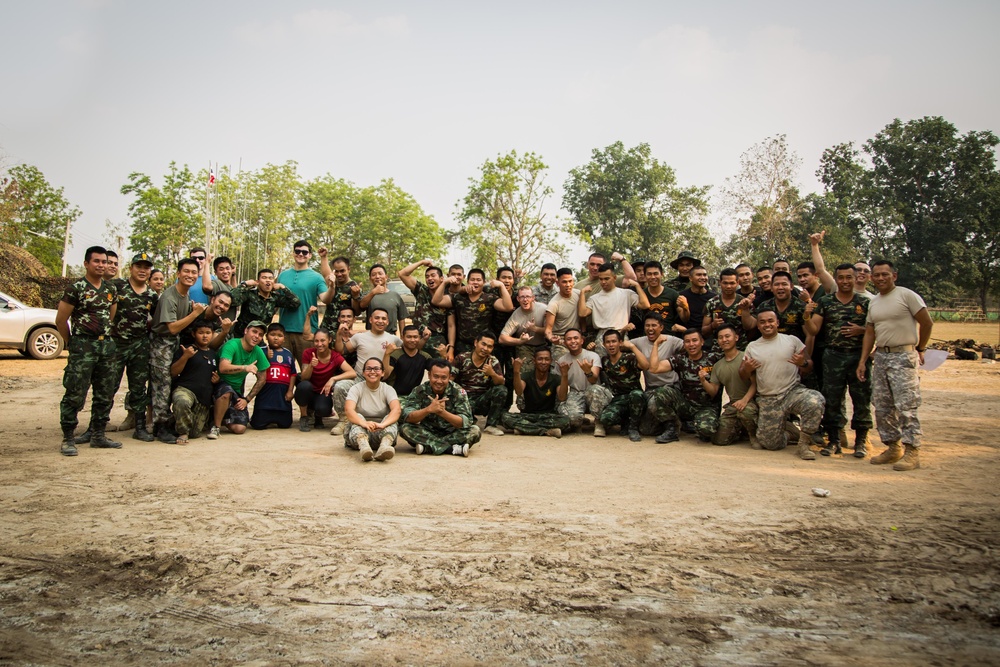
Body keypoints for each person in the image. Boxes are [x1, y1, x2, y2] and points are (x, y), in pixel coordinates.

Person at [856, 260, 933, 471]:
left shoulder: (907, 296)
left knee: (906, 405)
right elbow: (870, 332)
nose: (880, 278)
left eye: (885, 274)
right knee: (882, 405)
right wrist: (863, 360)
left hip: (903, 355)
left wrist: (921, 347)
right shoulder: (874, 302)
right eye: (877, 275)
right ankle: (893, 447)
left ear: (894, 276)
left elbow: (927, 322)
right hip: (881, 357)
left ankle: (912, 450)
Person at [56, 246, 121, 455]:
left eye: (105, 262)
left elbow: (110, 316)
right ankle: (68, 437)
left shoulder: (110, 289)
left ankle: (98, 435)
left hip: (106, 346)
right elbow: (61, 319)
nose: (102, 265)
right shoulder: (75, 288)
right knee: (75, 392)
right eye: (97, 261)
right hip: (82, 346)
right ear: (86, 264)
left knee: (105, 392)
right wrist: (71, 342)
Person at [804, 264, 873, 457]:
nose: (844, 281)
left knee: (861, 399)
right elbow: (813, 330)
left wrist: (862, 331)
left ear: (855, 278)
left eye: (848, 277)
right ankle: (833, 441)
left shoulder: (865, 303)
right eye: (841, 278)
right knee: (832, 400)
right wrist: (806, 315)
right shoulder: (826, 302)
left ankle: (860, 442)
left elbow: (874, 329)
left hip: (858, 356)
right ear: (836, 279)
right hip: (833, 356)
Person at [741, 309, 825, 460]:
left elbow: (809, 365)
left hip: (791, 391)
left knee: (815, 400)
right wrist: (747, 369)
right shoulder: (752, 347)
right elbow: (742, 374)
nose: (767, 324)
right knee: (770, 444)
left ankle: (804, 444)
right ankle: (790, 432)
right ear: (758, 326)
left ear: (777, 323)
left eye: (770, 321)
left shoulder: (792, 341)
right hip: (768, 397)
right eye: (763, 322)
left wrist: (803, 363)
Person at [150, 257, 207, 444]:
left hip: (173, 342)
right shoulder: (169, 296)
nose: (190, 275)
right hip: (162, 343)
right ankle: (159, 426)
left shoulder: (185, 295)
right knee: (162, 384)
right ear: (178, 274)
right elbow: (173, 328)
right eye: (186, 272)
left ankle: (167, 421)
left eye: (193, 272)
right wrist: (195, 313)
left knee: (172, 381)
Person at [108, 252, 157, 443]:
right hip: (116, 344)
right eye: (139, 266)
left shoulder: (152, 294)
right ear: (131, 268)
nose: (143, 270)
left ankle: (139, 427)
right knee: (108, 385)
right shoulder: (117, 286)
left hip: (139, 345)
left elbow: (155, 320)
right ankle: (98, 425)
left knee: (138, 389)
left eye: (146, 267)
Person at [331, 308, 403, 435]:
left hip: (380, 379)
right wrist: (339, 335)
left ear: (388, 322)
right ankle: (344, 420)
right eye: (377, 318)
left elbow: (410, 346)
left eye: (383, 319)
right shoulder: (360, 337)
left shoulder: (393, 339)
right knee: (340, 386)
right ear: (370, 320)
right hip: (359, 377)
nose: (380, 321)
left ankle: (382, 421)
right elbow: (342, 350)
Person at [648, 329, 722, 443]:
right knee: (661, 392)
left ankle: (695, 425)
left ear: (702, 342)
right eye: (687, 341)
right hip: (686, 405)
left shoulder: (713, 358)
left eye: (694, 340)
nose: (691, 344)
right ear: (684, 344)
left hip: (707, 407)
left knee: (707, 431)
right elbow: (654, 368)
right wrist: (656, 345)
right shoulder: (680, 359)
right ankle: (672, 427)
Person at [400, 358, 482, 457]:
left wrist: (443, 412)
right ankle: (451, 449)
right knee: (405, 428)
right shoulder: (419, 390)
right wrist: (428, 410)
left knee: (475, 431)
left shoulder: (458, 391)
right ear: (429, 375)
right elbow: (408, 417)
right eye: (436, 376)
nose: (439, 381)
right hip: (427, 431)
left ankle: (428, 447)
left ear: (449, 377)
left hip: (451, 432)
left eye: (444, 377)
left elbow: (465, 421)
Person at [431, 268, 513, 356]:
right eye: (472, 280)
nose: (475, 282)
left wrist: (501, 286)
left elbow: (508, 307)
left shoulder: (489, 298)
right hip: (462, 346)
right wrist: (444, 283)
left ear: (484, 282)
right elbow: (436, 301)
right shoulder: (459, 298)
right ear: (467, 281)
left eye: (479, 280)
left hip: (483, 346)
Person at [578, 262, 649, 357]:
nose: (603, 282)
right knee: (603, 365)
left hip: (621, 332)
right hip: (602, 336)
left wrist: (637, 285)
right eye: (601, 279)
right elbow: (582, 313)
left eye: (607, 278)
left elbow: (645, 305)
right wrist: (582, 293)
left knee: (623, 365)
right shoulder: (595, 298)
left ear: (614, 278)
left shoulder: (626, 294)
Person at [705, 325, 759, 448]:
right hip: (734, 405)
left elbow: (755, 384)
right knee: (719, 440)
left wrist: (744, 400)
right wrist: (703, 380)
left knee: (746, 411)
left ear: (736, 337)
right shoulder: (718, 365)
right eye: (720, 337)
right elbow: (713, 391)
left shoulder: (746, 357)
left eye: (727, 336)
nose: (724, 340)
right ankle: (740, 430)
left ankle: (753, 435)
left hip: (750, 402)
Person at [214, 321, 270, 437]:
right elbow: (223, 367)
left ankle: (219, 416)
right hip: (217, 384)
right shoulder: (232, 345)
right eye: (254, 331)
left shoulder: (258, 351)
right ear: (245, 331)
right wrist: (245, 368)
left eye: (260, 334)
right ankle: (216, 427)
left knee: (240, 428)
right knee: (226, 392)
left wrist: (247, 399)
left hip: (236, 391)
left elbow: (262, 379)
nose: (256, 336)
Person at [169, 320, 220, 445]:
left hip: (203, 398)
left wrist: (217, 379)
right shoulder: (186, 349)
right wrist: (185, 357)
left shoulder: (214, 354)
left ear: (212, 334)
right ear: (193, 334)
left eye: (208, 333)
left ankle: (172, 421)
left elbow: (217, 374)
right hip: (186, 389)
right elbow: (173, 372)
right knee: (182, 400)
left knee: (195, 433)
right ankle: (182, 432)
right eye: (201, 333)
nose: (204, 336)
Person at [632, 314, 685, 436]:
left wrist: (684, 331)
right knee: (646, 430)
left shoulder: (671, 340)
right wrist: (624, 332)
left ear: (661, 327)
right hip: (651, 388)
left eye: (654, 325)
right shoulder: (639, 341)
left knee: (653, 404)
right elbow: (618, 343)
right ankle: (665, 423)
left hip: (670, 387)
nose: (650, 328)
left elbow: (693, 344)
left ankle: (673, 425)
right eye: (647, 325)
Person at [501, 348, 570, 438]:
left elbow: (562, 397)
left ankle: (525, 429)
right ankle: (546, 431)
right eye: (540, 359)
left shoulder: (556, 378)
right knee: (504, 417)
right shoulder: (526, 376)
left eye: (547, 359)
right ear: (534, 361)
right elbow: (519, 392)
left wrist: (565, 375)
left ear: (551, 361)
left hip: (548, 417)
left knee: (566, 421)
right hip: (528, 416)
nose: (543, 362)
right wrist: (516, 372)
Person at [295, 327, 355, 431]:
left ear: (329, 340)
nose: (319, 344)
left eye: (322, 340)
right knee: (304, 386)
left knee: (324, 410)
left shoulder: (335, 356)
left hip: (323, 392)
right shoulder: (308, 353)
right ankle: (304, 416)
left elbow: (352, 373)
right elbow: (304, 377)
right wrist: (311, 366)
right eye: (316, 341)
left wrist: (333, 379)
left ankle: (318, 416)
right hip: (309, 390)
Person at [278, 241, 327, 365]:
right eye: (297, 251)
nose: (301, 254)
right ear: (293, 253)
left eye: (304, 252)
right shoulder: (282, 276)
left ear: (310, 255)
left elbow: (325, 298)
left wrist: (331, 287)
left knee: (309, 372)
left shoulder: (317, 277)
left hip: (306, 332)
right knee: (283, 373)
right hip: (284, 331)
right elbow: (275, 301)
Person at [594, 329, 649, 441]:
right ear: (604, 345)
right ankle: (625, 421)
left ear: (620, 342)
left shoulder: (629, 357)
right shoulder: (605, 361)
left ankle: (633, 427)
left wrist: (633, 347)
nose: (611, 345)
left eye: (614, 341)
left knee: (636, 395)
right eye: (608, 342)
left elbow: (645, 366)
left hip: (634, 397)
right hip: (618, 399)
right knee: (606, 419)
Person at [451, 331, 508, 436]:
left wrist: (492, 373)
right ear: (475, 343)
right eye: (483, 344)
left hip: (482, 399)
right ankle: (469, 419)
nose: (485, 349)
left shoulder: (493, 361)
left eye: (489, 347)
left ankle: (491, 425)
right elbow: (450, 380)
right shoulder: (461, 358)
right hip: (463, 399)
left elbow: (501, 382)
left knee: (502, 390)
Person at [344, 357, 401, 462]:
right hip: (358, 435)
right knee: (358, 416)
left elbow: (396, 410)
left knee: (390, 419)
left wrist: (383, 425)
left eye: (376, 369)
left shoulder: (388, 389)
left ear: (383, 373)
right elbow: (349, 410)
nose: (372, 372)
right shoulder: (356, 388)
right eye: (368, 369)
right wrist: (364, 423)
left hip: (381, 433)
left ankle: (384, 447)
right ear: (363, 372)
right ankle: (364, 448)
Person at [397, 259, 453, 358]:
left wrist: (451, 348)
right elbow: (402, 274)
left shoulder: (448, 297)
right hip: (417, 340)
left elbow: (451, 326)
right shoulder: (421, 290)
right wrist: (421, 262)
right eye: (427, 277)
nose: (429, 278)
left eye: (433, 275)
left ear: (441, 278)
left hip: (438, 342)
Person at [555, 328, 607, 433]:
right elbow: (562, 396)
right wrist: (564, 375)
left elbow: (593, 380)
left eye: (576, 338)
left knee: (595, 390)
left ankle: (599, 423)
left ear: (582, 341)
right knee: (572, 419)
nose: (573, 341)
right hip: (576, 392)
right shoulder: (562, 361)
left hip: (592, 391)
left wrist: (588, 371)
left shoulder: (592, 356)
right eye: (569, 339)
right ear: (565, 343)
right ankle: (580, 419)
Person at [229, 268, 301, 339]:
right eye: (264, 278)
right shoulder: (249, 294)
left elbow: (296, 303)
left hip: (257, 338)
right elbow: (233, 300)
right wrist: (244, 284)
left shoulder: (275, 298)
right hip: (240, 337)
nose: (268, 280)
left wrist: (283, 287)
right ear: (257, 282)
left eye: (270, 278)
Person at [250, 323, 298, 430]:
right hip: (265, 397)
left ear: (284, 338)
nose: (276, 338)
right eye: (272, 335)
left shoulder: (288, 353)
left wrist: (290, 391)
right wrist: (265, 358)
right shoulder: (260, 350)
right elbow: (255, 369)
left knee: (285, 424)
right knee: (257, 425)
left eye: (279, 335)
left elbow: (293, 373)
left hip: (282, 399)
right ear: (266, 337)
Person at [499, 286, 548, 373]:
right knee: (526, 373)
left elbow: (550, 331)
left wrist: (535, 329)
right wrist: (520, 341)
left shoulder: (544, 309)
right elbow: (502, 338)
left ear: (533, 298)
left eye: (528, 297)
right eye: (522, 297)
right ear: (518, 299)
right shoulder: (516, 315)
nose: (525, 300)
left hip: (543, 346)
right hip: (525, 347)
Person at [703, 269, 753, 350]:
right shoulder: (711, 303)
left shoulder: (744, 302)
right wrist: (713, 325)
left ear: (737, 283)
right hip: (718, 350)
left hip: (740, 349)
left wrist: (745, 309)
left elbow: (751, 327)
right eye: (725, 283)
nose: (728, 286)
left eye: (732, 283)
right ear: (720, 282)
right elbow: (704, 331)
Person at [543, 268, 582, 362]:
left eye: (570, 281)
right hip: (561, 341)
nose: (568, 285)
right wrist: (552, 339)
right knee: (561, 365)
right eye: (564, 282)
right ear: (557, 283)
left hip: (577, 338)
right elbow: (548, 330)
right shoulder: (554, 304)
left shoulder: (579, 294)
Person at [358, 263, 408, 335]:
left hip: (390, 335)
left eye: (380, 273)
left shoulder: (395, 295)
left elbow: (401, 319)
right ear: (370, 279)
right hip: (372, 336)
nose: (377, 276)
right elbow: (362, 305)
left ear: (386, 277)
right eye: (374, 275)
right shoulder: (367, 295)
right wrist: (373, 292)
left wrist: (402, 337)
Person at [384, 325, 431, 397]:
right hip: (395, 395)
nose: (412, 340)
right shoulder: (395, 355)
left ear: (419, 338)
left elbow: (438, 370)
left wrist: (444, 356)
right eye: (409, 337)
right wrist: (387, 354)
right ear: (402, 337)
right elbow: (385, 375)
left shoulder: (424, 356)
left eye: (415, 337)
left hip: (415, 396)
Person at [317, 251, 361, 327]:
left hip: (343, 330)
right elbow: (326, 274)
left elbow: (357, 312)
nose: (339, 274)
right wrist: (323, 257)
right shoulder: (332, 282)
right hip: (325, 329)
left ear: (348, 269)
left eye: (342, 271)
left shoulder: (354, 287)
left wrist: (356, 297)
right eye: (336, 271)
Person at [641, 260, 686, 335]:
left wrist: (686, 308)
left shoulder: (672, 294)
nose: (653, 277)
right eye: (649, 274)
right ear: (645, 276)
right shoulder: (641, 295)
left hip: (668, 337)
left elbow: (684, 318)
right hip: (648, 337)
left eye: (656, 274)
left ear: (662, 274)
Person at [678, 266, 715, 334]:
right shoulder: (682, 296)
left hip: (707, 335)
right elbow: (684, 319)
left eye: (704, 275)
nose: (703, 278)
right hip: (688, 334)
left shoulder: (714, 298)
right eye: (698, 275)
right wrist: (685, 307)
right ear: (690, 278)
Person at [203, 254, 237, 320]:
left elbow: (235, 292)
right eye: (221, 269)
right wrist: (207, 263)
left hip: (228, 328)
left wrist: (233, 274)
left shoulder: (230, 287)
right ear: (215, 272)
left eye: (227, 268)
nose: (225, 271)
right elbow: (206, 286)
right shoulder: (217, 283)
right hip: (217, 328)